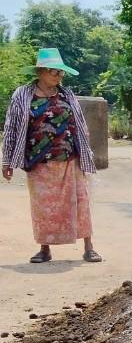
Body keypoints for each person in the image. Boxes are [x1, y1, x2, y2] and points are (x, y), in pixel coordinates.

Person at [2, 48, 102, 264]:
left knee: (80, 203)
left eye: (61, 72)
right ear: (40, 72)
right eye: (54, 72)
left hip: (70, 160)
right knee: (43, 209)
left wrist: (86, 154)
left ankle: (89, 247)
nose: (58, 76)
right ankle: (44, 249)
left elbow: (80, 124)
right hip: (39, 163)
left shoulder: (67, 94)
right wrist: (6, 160)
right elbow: (11, 128)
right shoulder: (22, 94)